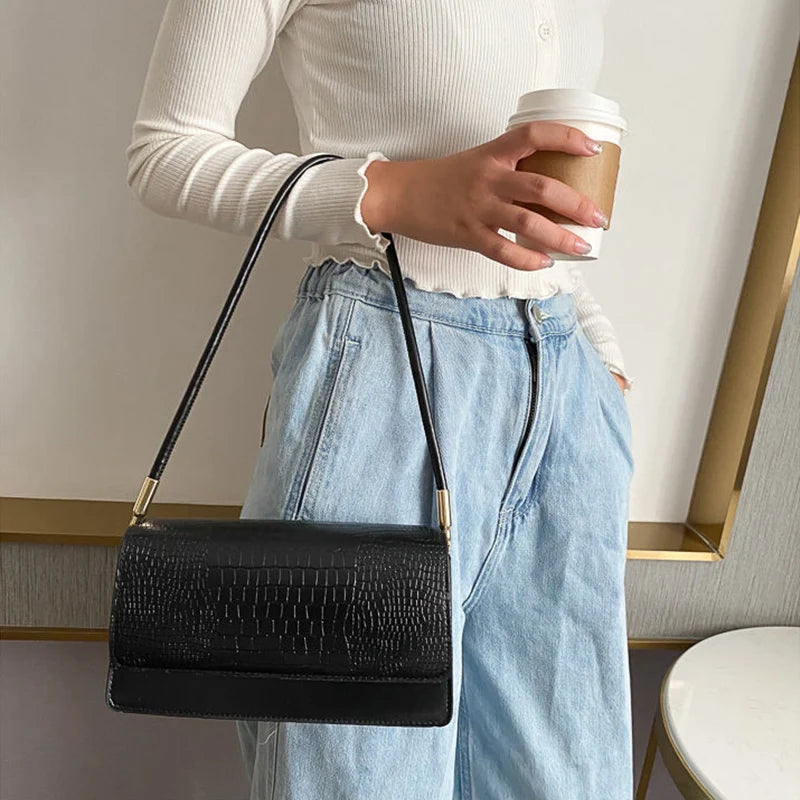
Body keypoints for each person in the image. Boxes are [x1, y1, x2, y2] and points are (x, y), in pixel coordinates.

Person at [126, 0, 635, 797]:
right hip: (385, 379)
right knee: (354, 776)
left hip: (564, 390)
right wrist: (391, 192)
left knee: (564, 780)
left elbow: (530, 221)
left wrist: (601, 360)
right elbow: (164, 151)